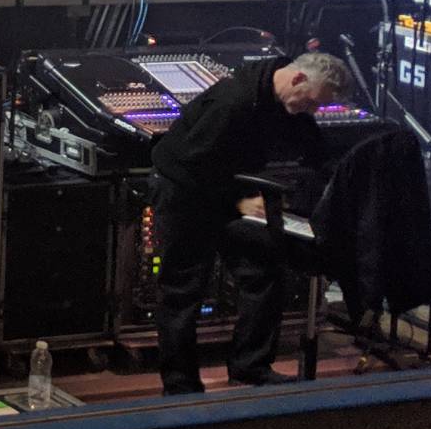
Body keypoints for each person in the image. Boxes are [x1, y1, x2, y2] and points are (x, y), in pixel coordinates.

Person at [148, 50, 351, 394]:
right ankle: (180, 386)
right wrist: (239, 201)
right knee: (182, 292)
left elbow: (316, 149)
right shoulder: (233, 102)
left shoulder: (286, 100)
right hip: (185, 193)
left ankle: (251, 366)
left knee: (263, 271)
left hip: (227, 192)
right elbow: (189, 167)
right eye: (312, 103)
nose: (311, 111)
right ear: (298, 78)